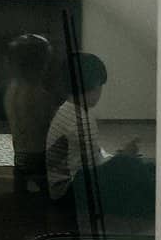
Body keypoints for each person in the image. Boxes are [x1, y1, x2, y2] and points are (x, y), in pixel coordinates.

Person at [45, 52, 154, 220]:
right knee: (132, 165)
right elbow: (92, 170)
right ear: (94, 85)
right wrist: (122, 157)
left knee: (144, 165)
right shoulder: (81, 120)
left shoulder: (66, 110)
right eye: (100, 86)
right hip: (69, 192)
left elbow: (92, 156)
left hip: (62, 187)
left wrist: (118, 157)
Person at [3, 33, 57, 193]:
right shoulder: (39, 95)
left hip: (19, 156)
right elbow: (51, 128)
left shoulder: (12, 90)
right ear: (40, 64)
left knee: (21, 194)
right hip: (39, 158)